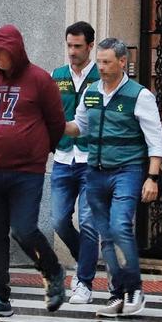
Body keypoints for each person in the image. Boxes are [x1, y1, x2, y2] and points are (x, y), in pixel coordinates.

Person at [0, 24, 67, 318]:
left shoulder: (40, 80)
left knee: (23, 230)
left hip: (27, 172)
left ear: (17, 51)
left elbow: (56, 123)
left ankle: (52, 270)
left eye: (3, 51)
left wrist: (38, 149)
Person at [65, 37, 162, 317]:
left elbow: (155, 139)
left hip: (127, 171)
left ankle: (135, 289)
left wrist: (152, 177)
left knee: (120, 226)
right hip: (95, 172)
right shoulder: (92, 92)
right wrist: (55, 124)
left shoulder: (139, 95)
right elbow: (79, 127)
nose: (102, 67)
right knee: (106, 237)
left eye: (107, 62)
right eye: (99, 62)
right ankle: (116, 294)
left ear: (123, 62)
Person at [50, 21, 101, 304]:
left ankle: (84, 281)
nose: (72, 52)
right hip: (62, 157)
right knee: (58, 219)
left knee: (88, 222)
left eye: (78, 46)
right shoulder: (56, 76)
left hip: (90, 159)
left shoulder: (100, 74)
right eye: (69, 45)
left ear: (90, 46)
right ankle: (85, 257)